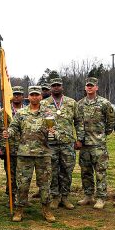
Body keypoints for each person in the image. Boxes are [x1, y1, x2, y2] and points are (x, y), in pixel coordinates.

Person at [3, 86, 57, 222]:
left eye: (36, 95)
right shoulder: (21, 113)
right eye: (32, 95)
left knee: (45, 184)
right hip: (24, 154)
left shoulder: (48, 113)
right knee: (22, 183)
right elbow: (14, 127)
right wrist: (8, 133)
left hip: (43, 154)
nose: (34, 97)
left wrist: (54, 133)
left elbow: (56, 130)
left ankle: (46, 209)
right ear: (28, 96)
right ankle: (19, 210)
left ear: (40, 96)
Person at [75, 77, 115, 209]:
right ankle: (88, 195)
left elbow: (111, 122)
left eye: (92, 85)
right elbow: (78, 122)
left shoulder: (105, 103)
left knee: (100, 172)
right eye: (88, 85)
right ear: (85, 88)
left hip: (98, 145)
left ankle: (101, 197)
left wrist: (102, 135)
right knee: (85, 172)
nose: (90, 87)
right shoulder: (80, 104)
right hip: (84, 144)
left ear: (97, 87)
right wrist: (80, 139)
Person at [40, 77, 79, 210]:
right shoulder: (44, 103)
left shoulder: (71, 103)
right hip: (50, 143)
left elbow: (78, 122)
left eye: (58, 85)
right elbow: (40, 122)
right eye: (54, 86)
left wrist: (79, 139)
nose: (56, 87)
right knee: (52, 171)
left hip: (67, 143)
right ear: (50, 88)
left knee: (67, 170)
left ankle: (65, 197)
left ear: (62, 87)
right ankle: (55, 197)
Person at [0, 86, 26, 206]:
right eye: (14, 94)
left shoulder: (27, 111)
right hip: (9, 148)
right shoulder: (4, 112)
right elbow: (0, 129)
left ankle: (22, 198)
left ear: (23, 96)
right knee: (10, 174)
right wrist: (1, 147)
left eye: (19, 94)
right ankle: (11, 197)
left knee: (23, 175)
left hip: (24, 148)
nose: (16, 96)